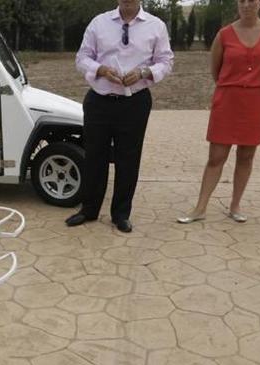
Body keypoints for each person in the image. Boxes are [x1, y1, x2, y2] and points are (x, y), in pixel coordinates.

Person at [65, 0, 173, 233]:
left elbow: (166, 61)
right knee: (94, 157)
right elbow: (82, 58)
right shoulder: (99, 23)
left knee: (128, 159)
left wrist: (145, 72)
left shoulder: (156, 26)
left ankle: (121, 214)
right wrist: (101, 70)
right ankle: (89, 210)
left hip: (135, 102)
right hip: (99, 100)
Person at [178, 0, 260, 224]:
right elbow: (215, 71)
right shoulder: (224, 34)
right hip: (228, 101)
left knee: (246, 156)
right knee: (216, 156)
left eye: (251, 0)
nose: (246, 5)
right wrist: (233, 86)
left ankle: (235, 206)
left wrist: (256, 86)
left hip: (257, 101)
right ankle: (200, 207)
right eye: (242, 0)